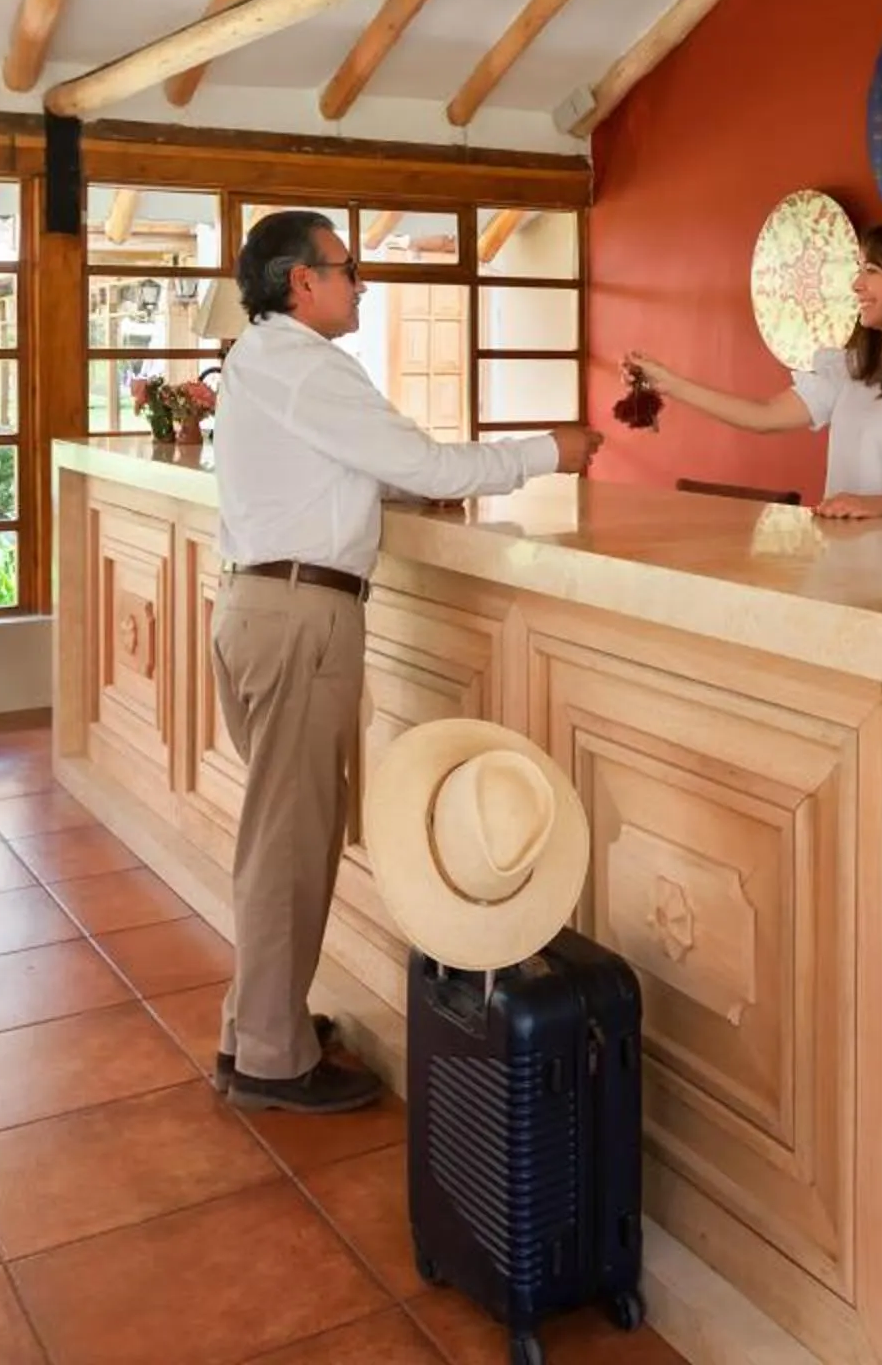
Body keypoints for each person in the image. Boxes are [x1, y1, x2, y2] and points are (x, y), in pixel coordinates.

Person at [210, 209, 602, 1115]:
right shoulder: (307, 368)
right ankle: (272, 1056)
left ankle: (258, 1026)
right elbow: (423, 463)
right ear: (299, 283)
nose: (361, 283)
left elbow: (363, 469)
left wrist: (403, 481)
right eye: (347, 269)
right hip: (300, 618)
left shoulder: (264, 363)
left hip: (265, 608)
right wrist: (550, 451)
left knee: (281, 832)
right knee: (291, 841)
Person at [625, 220, 882, 523]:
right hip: (844, 562)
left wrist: (873, 507)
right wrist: (668, 383)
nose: (857, 284)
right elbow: (765, 416)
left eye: (871, 270)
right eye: (858, 269)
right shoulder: (851, 368)